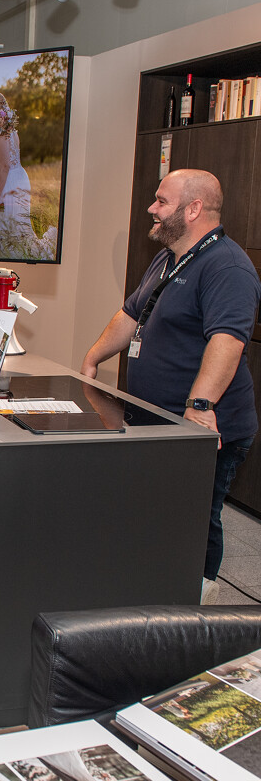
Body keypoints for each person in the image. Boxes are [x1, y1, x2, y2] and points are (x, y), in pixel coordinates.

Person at [81, 169, 261, 604]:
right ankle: (153, 588)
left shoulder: (229, 267)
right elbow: (130, 315)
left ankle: (196, 605)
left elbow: (228, 340)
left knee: (196, 518)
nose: (152, 208)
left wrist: (200, 405)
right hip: (155, 419)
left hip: (201, 427)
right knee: (157, 511)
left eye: (162, 201)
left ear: (193, 209)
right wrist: (93, 358)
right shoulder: (168, 257)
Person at [0, 92, 32, 233]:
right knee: (17, 229)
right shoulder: (12, 130)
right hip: (19, 177)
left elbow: (5, 165)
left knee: (3, 229)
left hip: (6, 183)